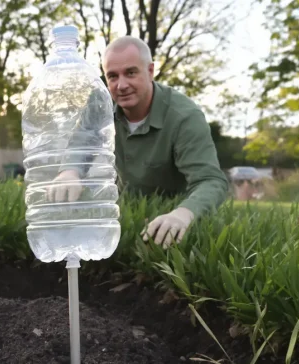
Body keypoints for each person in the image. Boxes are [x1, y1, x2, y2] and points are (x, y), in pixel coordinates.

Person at [49, 35, 229, 248]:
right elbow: (81, 143)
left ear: (150, 71)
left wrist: (183, 214)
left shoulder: (184, 116)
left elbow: (211, 181)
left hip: (172, 218)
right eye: (113, 76)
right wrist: (69, 171)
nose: (121, 85)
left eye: (131, 73)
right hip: (125, 214)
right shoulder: (99, 106)